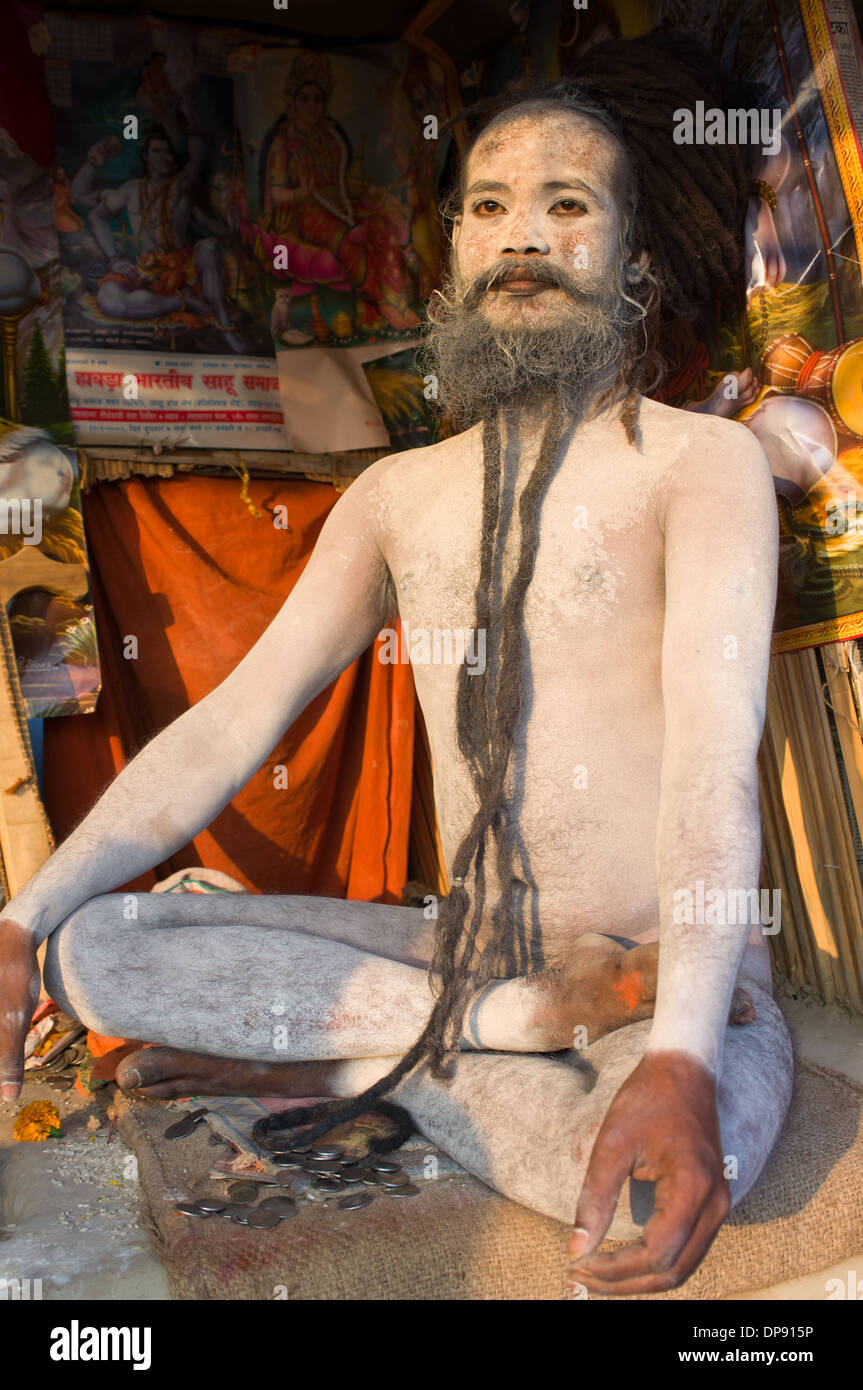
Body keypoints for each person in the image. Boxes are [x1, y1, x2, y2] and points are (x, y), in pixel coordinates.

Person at [0, 35, 792, 1296]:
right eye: (486, 207)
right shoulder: (390, 494)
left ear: (631, 258)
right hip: (468, 957)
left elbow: (710, 759)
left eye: (564, 204)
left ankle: (350, 1054)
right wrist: (19, 918)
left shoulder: (699, 463)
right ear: (455, 258)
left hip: (669, 966)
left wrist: (684, 1053)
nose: (519, 234)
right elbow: (228, 723)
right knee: (97, 947)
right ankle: (503, 1032)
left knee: (649, 1184)